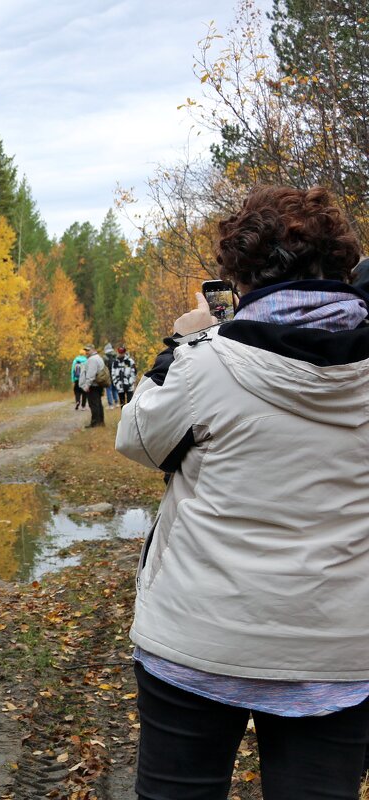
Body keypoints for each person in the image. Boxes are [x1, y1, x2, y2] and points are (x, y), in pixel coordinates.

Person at [115, 185, 369, 800]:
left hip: (198, 644)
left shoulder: (206, 361)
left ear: (241, 273)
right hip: (340, 652)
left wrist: (182, 343)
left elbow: (139, 440)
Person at [77, 344, 106, 428]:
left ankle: (95, 423)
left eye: (88, 350)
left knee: (93, 404)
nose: (86, 352)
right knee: (98, 403)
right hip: (98, 384)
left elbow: (91, 374)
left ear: (93, 349)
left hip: (94, 385)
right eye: (85, 350)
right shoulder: (98, 357)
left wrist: (87, 385)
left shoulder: (92, 359)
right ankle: (100, 422)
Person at [102, 343, 119, 408]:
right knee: (115, 389)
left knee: (109, 390)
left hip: (108, 376)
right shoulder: (115, 355)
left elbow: (103, 367)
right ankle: (117, 402)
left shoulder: (105, 357)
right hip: (115, 375)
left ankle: (111, 405)